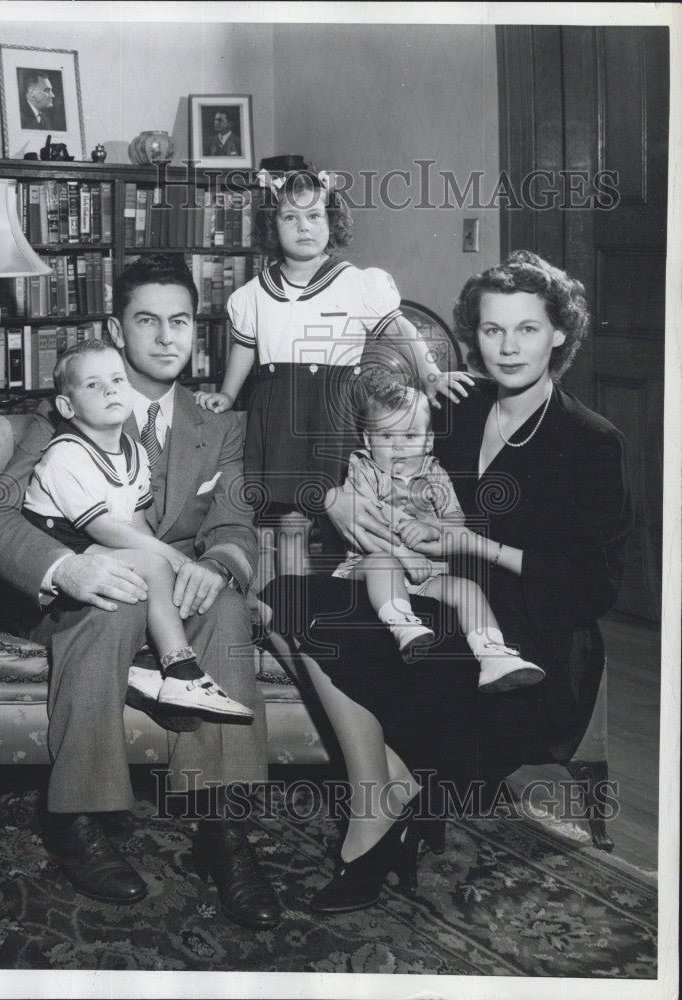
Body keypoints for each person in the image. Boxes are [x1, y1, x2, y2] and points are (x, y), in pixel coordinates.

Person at [262, 250, 633, 914]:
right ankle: (391, 788)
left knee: (374, 636)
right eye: (491, 330)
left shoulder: (589, 440)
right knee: (285, 599)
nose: (506, 347)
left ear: (558, 334)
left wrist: (471, 541)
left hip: (522, 635)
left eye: (525, 328)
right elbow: (332, 431)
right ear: (473, 336)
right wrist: (332, 499)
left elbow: (590, 587)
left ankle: (372, 813)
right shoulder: (455, 403)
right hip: (422, 590)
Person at [0, 255, 281, 930]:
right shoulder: (66, 413)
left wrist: (220, 564)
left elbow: (233, 522)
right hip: (89, 602)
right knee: (110, 605)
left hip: (180, 596)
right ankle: (77, 818)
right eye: (147, 321)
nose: (167, 337)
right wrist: (66, 567)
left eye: (180, 322)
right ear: (117, 328)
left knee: (224, 608)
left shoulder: (220, 426)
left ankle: (221, 831)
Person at [195, 168, 472, 578]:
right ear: (273, 225)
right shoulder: (251, 294)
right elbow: (244, 348)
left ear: (332, 222)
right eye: (290, 217)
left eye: (315, 217)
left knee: (349, 516)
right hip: (278, 412)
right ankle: (295, 603)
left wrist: (430, 373)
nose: (303, 227)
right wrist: (229, 396)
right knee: (291, 523)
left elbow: (400, 328)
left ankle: (349, 594)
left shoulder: (356, 283)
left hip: (335, 411)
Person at [21, 338, 254, 720]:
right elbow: (104, 530)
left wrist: (162, 559)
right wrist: (172, 559)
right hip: (65, 545)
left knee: (155, 570)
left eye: (117, 379)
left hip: (97, 541)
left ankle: (146, 664)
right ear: (67, 406)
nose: (111, 388)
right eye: (93, 385)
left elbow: (136, 521)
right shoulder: (65, 454)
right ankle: (181, 671)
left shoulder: (132, 449)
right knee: (154, 567)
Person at [334, 371, 546, 692]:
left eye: (409, 436)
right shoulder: (364, 468)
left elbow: (456, 522)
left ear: (428, 440)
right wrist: (403, 551)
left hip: (424, 577)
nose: (398, 448)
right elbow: (365, 521)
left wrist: (429, 527)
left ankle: (492, 655)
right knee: (383, 561)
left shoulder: (435, 474)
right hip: (365, 571)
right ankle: (403, 626)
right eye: (386, 437)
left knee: (467, 590)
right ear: (367, 440)